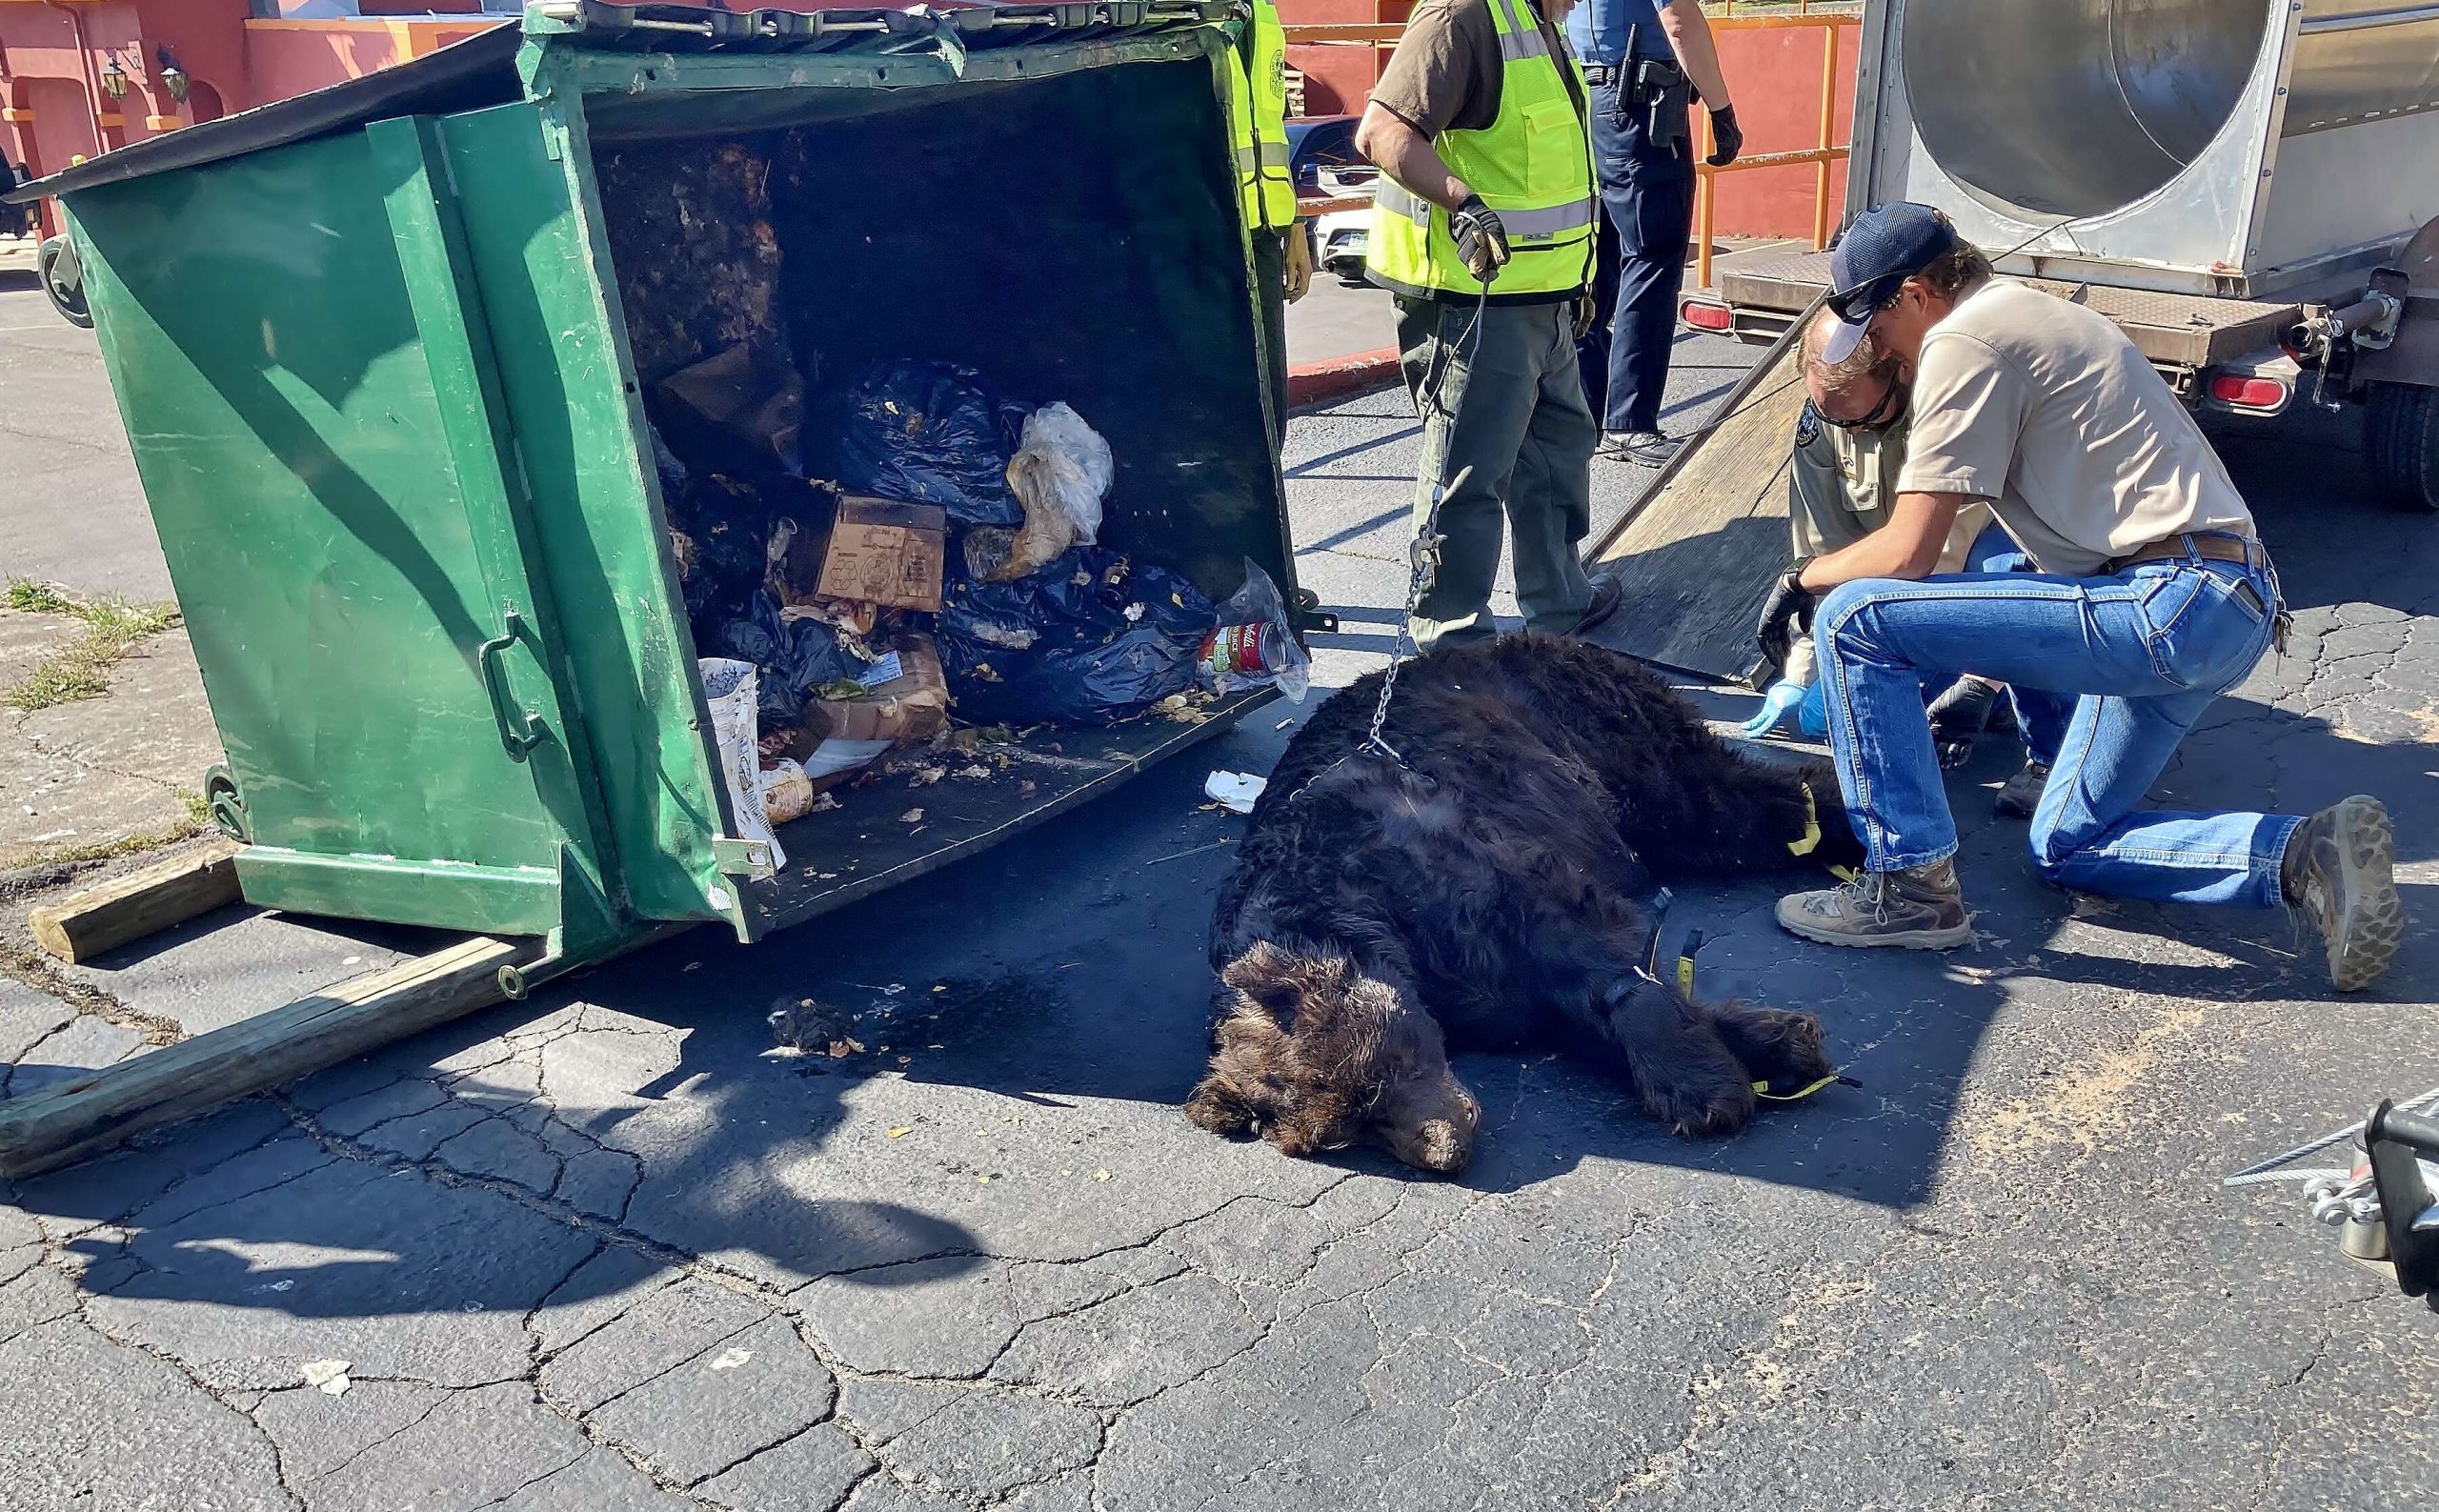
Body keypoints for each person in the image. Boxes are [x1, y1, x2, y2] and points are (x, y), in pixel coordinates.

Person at [1765, 203, 2403, 993]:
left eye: (1876, 325)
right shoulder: (2029, 318)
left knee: (1856, 619)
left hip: (2167, 599)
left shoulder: (1964, 341)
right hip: (2216, 600)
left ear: (1914, 295)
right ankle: (2304, 852)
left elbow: (1908, 552)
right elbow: (1977, 558)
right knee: (2068, 842)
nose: (1880, 349)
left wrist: (1801, 581)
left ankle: (1909, 891)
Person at [1357, 0, 1622, 646]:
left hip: (1544, 297)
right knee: (1470, 473)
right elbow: (1382, 134)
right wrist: (1462, 203)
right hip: (1475, 301)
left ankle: (1561, 601)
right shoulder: (1463, 17)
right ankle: (1450, 637)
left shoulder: (1536, 22)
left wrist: (1577, 278)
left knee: (1558, 453)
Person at [1745, 305, 2069, 810]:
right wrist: (1801, 672)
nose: (1847, 431)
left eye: (1862, 417)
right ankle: (1992, 690)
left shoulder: (1946, 408)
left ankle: (2051, 758)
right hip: (1898, 571)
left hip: (1969, 555)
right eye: (1832, 416)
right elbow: (1824, 555)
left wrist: (1978, 675)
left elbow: (1939, 551)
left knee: (2012, 571)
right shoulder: (1824, 422)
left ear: (1901, 372)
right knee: (1827, 713)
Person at [1567, 0, 1740, 469]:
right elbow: (1679, 19)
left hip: (1588, 101)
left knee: (1597, 262)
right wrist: (1722, 110)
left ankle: (1588, 414)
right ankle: (1629, 423)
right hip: (1640, 106)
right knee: (1652, 257)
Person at [1223, 0, 1313, 450]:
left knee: (1269, 405)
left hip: (1263, 240)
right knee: (1219, 404)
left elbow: (1273, 126)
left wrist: (1296, 228)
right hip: (1201, 238)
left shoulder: (1264, 12)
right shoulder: (1176, 11)